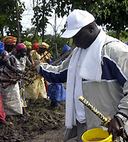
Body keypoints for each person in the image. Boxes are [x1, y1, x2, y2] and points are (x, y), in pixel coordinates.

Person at [33, 9, 128, 141]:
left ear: (90, 29)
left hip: (110, 126)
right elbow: (59, 73)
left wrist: (121, 117)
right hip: (83, 123)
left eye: (77, 36)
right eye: (73, 37)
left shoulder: (113, 51)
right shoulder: (77, 54)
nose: (74, 41)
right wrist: (39, 66)